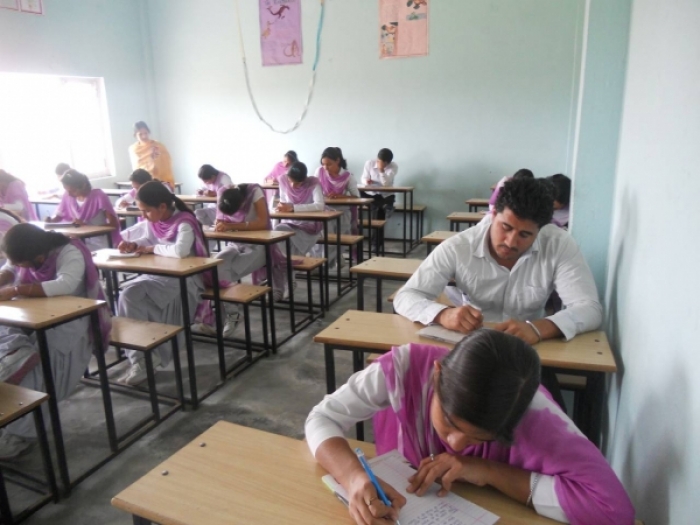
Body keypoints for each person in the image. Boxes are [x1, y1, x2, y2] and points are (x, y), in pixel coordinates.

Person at [305, 330, 636, 525]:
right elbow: (322, 418)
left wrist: (486, 470)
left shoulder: (534, 415)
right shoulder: (406, 367)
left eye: (479, 437)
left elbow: (613, 511)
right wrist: (354, 477)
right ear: (437, 374)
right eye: (449, 422)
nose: (455, 444)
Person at [395, 177, 602, 345]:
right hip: (471, 346)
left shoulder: (559, 244)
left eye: (525, 235)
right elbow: (406, 296)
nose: (511, 242)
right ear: (493, 214)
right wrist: (443, 315)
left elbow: (589, 308)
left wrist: (537, 328)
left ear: (540, 229)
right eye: (506, 227)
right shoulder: (459, 247)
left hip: (529, 349)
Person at [0, 224, 111, 459]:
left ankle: (23, 431)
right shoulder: (30, 251)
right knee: (15, 350)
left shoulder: (69, 251)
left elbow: (65, 284)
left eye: (23, 263)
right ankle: (14, 405)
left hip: (74, 319)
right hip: (36, 312)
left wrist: (16, 289)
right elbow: (10, 267)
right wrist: (3, 279)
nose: (20, 267)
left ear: (39, 257)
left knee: (44, 362)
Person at [116, 182, 213, 385]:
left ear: (161, 206)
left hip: (185, 279)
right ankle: (141, 357)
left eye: (146, 210)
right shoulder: (156, 220)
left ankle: (151, 354)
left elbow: (180, 251)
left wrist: (152, 249)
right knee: (128, 295)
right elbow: (149, 239)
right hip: (162, 275)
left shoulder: (185, 221)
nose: (143, 216)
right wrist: (135, 245)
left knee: (136, 296)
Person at [193, 183, 285, 337]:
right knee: (214, 266)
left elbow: (263, 223)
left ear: (243, 203)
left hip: (259, 245)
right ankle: (231, 313)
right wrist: (220, 225)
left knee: (223, 274)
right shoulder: (223, 192)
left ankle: (227, 316)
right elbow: (220, 219)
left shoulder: (254, 192)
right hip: (235, 243)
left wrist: (232, 226)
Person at [272, 161, 324, 298]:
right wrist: (282, 207)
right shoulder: (283, 179)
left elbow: (319, 205)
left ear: (304, 179)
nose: (293, 186)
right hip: (290, 223)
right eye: (291, 181)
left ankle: (288, 281)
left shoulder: (313, 183)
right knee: (278, 235)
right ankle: (289, 280)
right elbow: (283, 200)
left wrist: (293, 208)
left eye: (297, 183)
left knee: (287, 246)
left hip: (309, 226)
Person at [46, 169, 121, 250]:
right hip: (80, 240)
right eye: (67, 190)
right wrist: (51, 221)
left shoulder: (99, 196)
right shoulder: (68, 196)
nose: (69, 194)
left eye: (73, 190)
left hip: (100, 241)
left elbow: (113, 224)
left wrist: (87, 227)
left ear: (83, 186)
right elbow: (59, 215)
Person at [312, 147, 359, 267]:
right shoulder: (319, 172)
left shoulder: (348, 176)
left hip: (342, 210)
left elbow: (356, 196)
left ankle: (332, 259)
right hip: (325, 210)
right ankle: (325, 262)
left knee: (340, 237)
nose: (325, 167)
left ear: (337, 161)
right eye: (323, 164)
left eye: (329, 164)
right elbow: (314, 189)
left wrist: (340, 196)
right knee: (325, 237)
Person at [128, 121, 175, 187]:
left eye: (146, 133)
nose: (144, 136)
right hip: (141, 182)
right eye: (140, 134)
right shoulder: (133, 149)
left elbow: (166, 163)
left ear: (149, 132)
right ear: (135, 135)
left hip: (159, 181)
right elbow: (136, 168)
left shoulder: (158, 146)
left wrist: (154, 160)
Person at [361, 148, 398, 219]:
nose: (378, 162)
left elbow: (385, 184)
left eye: (381, 162)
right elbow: (363, 178)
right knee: (357, 192)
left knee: (379, 212)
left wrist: (381, 170)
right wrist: (366, 181)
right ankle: (382, 206)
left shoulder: (393, 166)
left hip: (385, 195)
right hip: (371, 194)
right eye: (377, 160)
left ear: (387, 163)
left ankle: (380, 206)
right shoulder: (369, 163)